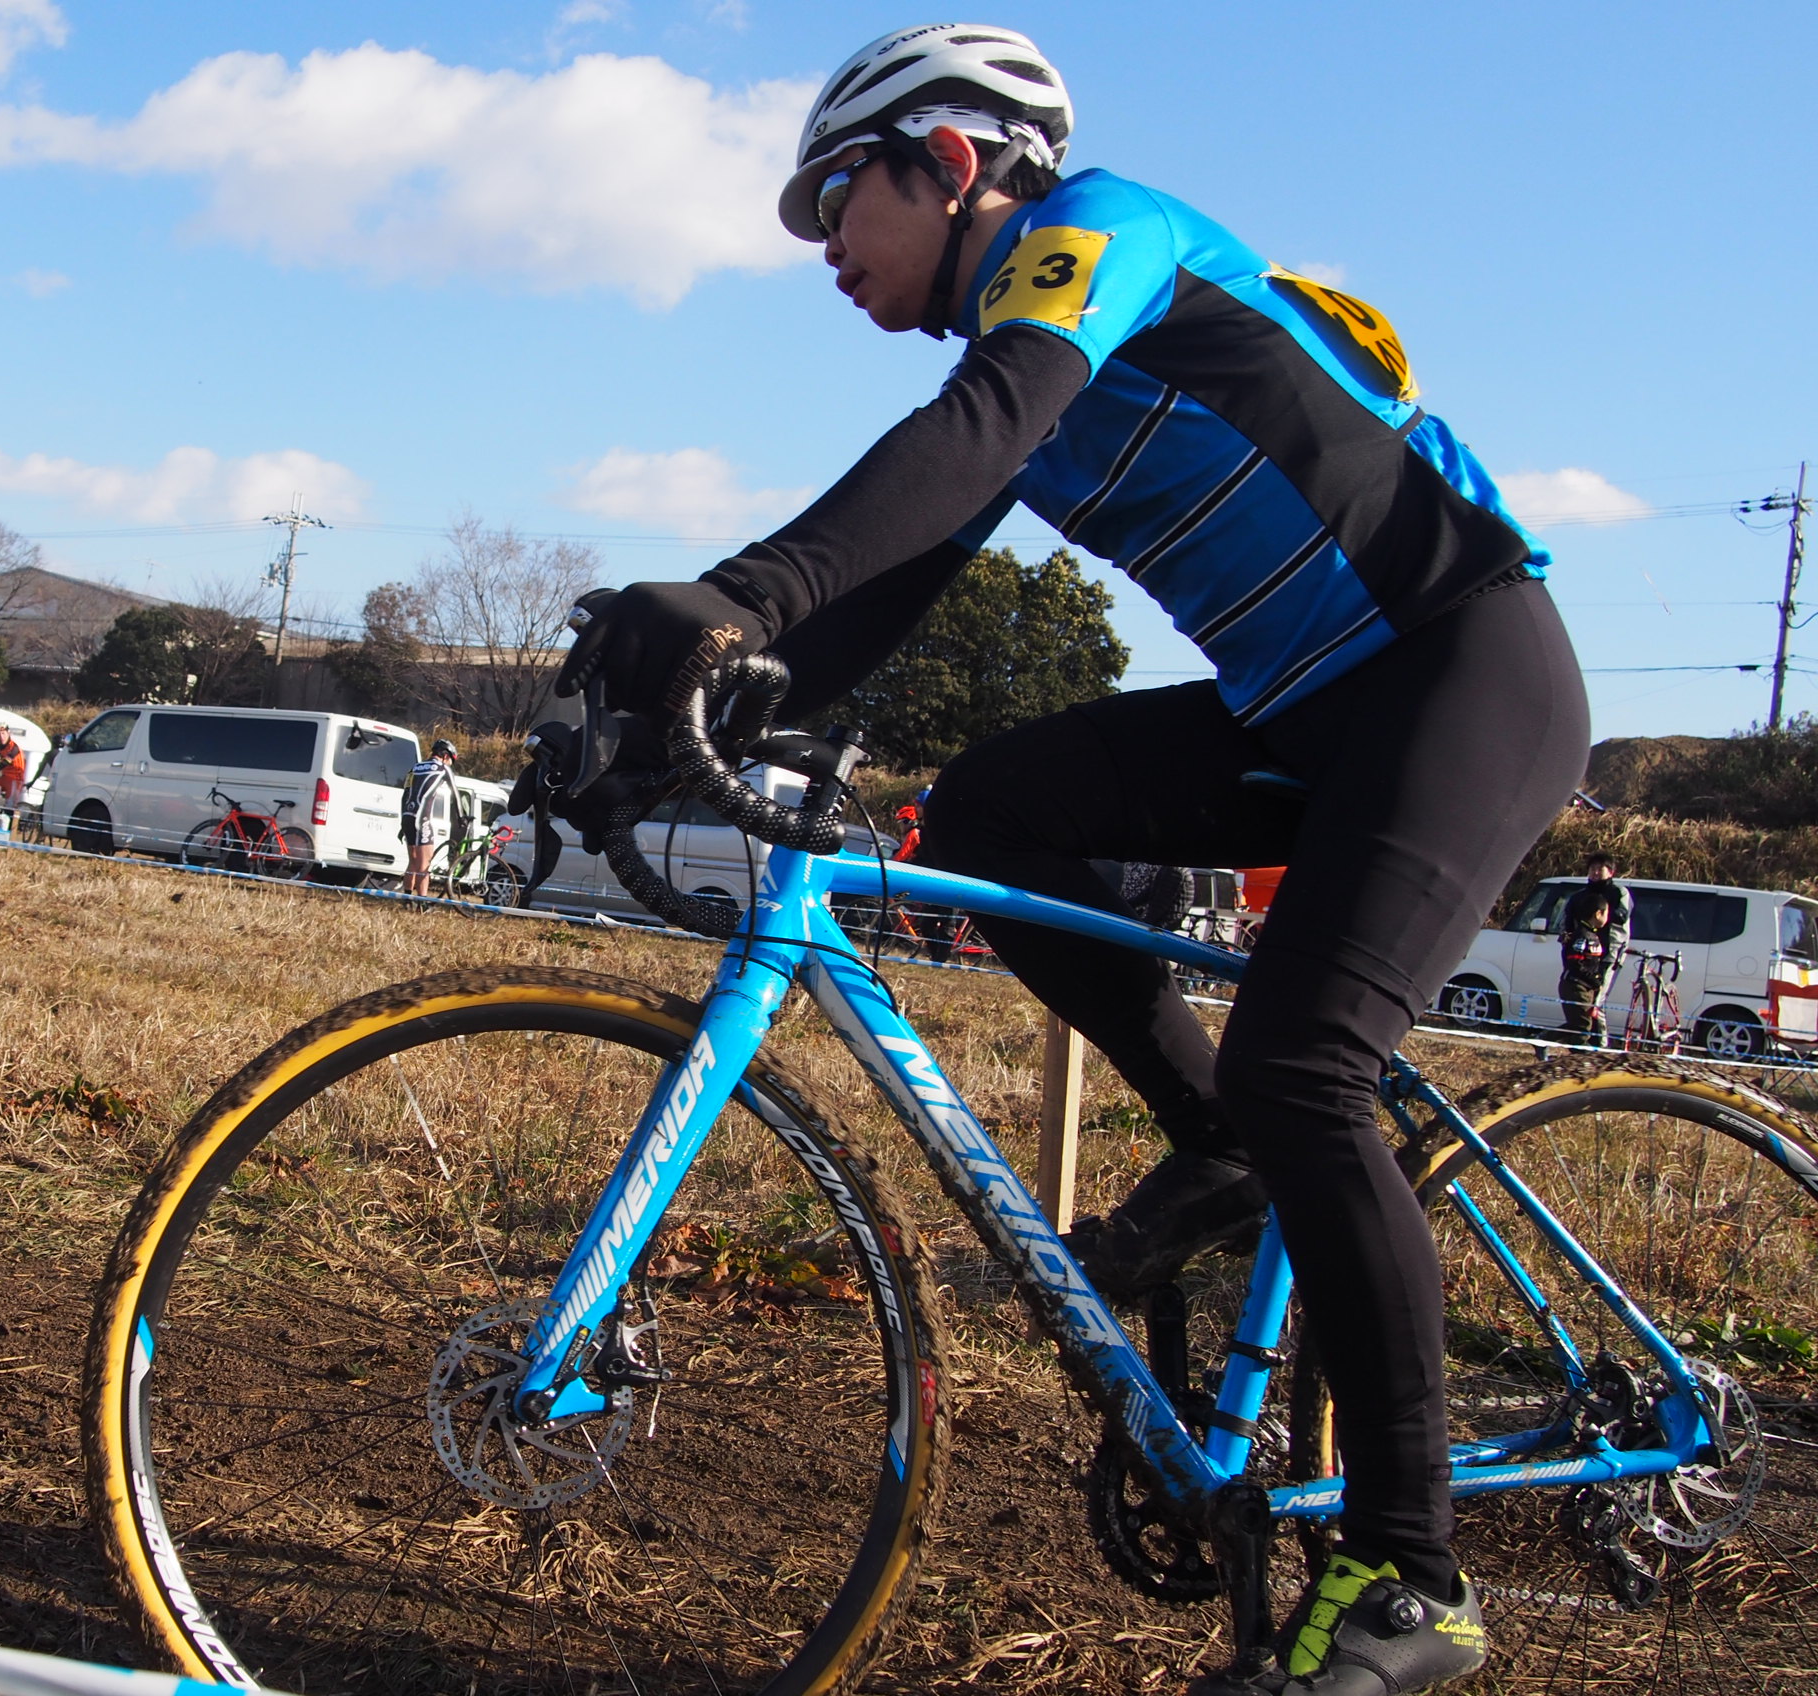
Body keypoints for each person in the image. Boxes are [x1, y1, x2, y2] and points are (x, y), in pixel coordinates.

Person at [556, 25, 1584, 1691]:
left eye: (837, 195)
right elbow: (882, 582)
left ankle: (1412, 1581)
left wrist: (741, 592)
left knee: (1307, 1066)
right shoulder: (1013, 371)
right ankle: (1218, 1143)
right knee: (985, 815)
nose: (823, 243)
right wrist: (669, 716)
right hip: (1303, 718)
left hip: (1460, 667)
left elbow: (974, 428)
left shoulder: (1106, 237)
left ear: (950, 160)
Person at [1557, 853, 1631, 1045]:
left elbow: (1622, 916)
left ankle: (1599, 1046)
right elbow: (1566, 922)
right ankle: (1579, 1043)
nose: (1595, 873)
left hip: (1609, 954)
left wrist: (1601, 911)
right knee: (1583, 1002)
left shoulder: (1619, 893)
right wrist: (1568, 941)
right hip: (1583, 955)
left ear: (1611, 872)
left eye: (1600, 869)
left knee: (1598, 1001)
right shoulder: (1579, 896)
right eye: (1592, 869)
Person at [401, 738, 460, 896]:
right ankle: (422, 902)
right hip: (422, 819)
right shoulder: (443, 768)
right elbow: (455, 794)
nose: (450, 765)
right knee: (424, 864)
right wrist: (461, 817)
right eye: (451, 761)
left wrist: (402, 822)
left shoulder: (415, 767)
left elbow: (405, 794)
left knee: (412, 861)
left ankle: (407, 898)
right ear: (446, 756)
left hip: (407, 816)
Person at [0, 722, 29, 830]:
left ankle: (9, 829)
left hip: (15, 778)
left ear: (8, 733)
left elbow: (4, 763)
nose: (1, 736)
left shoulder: (14, 748)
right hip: (4, 777)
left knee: (10, 805)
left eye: (3, 733)